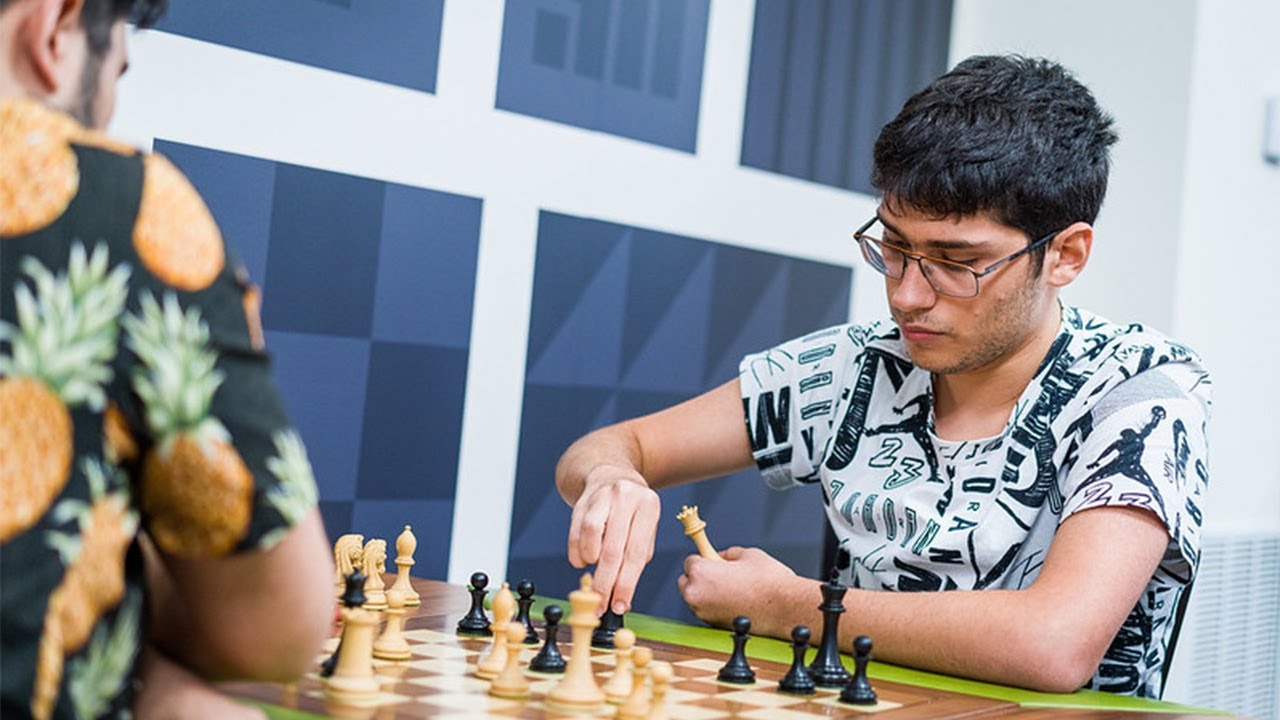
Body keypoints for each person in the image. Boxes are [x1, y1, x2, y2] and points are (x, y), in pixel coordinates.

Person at [557, 55, 1210, 699]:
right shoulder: (855, 365)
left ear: (1065, 255)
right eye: (894, 248)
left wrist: (784, 604)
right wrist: (612, 477)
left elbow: (1054, 643)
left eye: (958, 263)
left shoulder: (1139, 389)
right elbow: (610, 448)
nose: (907, 296)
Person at [0, 1, 335, 717]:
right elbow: (280, 630)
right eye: (115, 71)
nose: (110, 111)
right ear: (55, 28)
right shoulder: (117, 203)